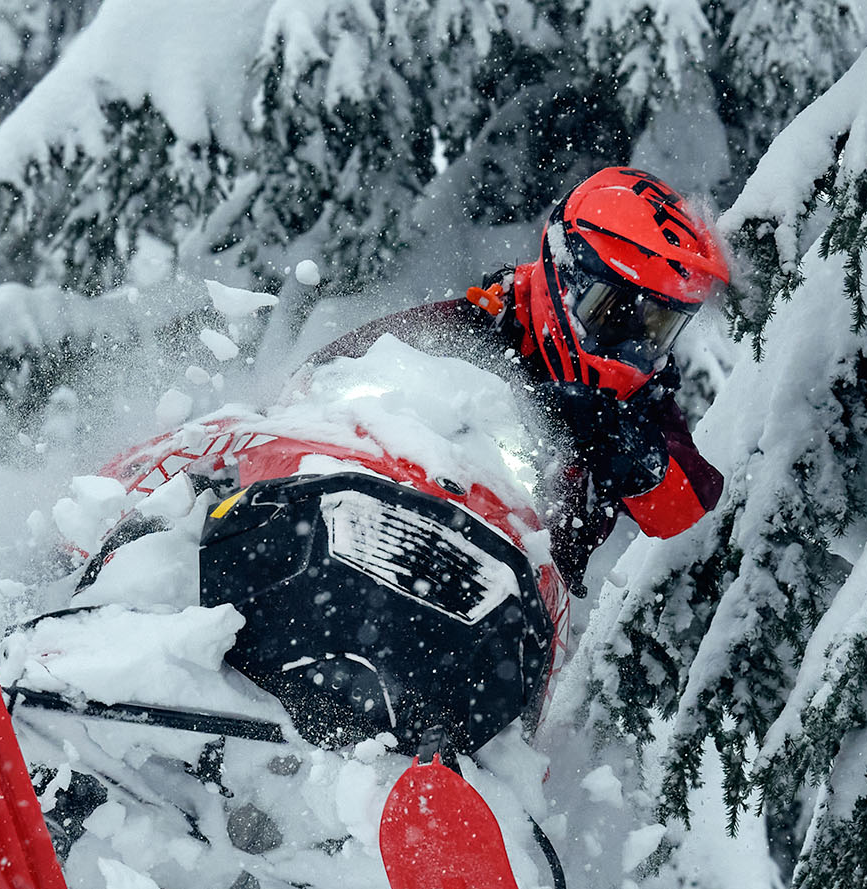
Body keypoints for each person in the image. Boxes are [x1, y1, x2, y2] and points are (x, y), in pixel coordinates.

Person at [302, 167, 731, 585]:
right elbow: (328, 372)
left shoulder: (639, 398)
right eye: (613, 311)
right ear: (566, 275)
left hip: (524, 596)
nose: (632, 342)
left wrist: (619, 439)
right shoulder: (478, 325)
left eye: (657, 325)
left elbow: (689, 504)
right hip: (386, 535)